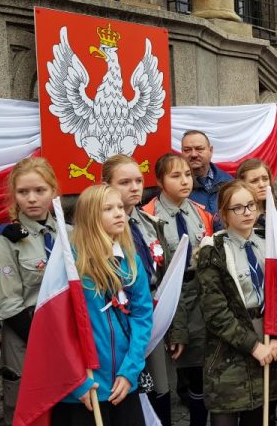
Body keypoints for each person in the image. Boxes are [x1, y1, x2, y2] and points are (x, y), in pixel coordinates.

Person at [53, 185, 153, 426]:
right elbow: (57, 329)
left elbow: (142, 317)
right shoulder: (69, 263)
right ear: (89, 217)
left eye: (120, 207)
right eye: (108, 209)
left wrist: (130, 371)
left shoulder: (131, 260)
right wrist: (78, 381)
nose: (119, 213)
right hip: (84, 389)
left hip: (123, 382)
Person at [196, 180, 277, 426]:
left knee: (260, 415)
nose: (247, 212)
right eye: (237, 208)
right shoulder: (213, 251)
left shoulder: (270, 244)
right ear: (224, 213)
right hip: (229, 349)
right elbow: (216, 312)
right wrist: (253, 346)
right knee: (224, 416)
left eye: (251, 205)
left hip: (268, 340)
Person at [142, 153, 214, 426]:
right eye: (175, 176)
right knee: (165, 372)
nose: (185, 180)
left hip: (198, 293)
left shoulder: (199, 212)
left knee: (198, 369)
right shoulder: (149, 216)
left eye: (187, 174)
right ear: (159, 181)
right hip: (167, 295)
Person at [102, 154, 174, 424]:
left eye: (138, 181)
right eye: (124, 182)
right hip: (121, 325)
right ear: (106, 186)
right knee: (130, 395)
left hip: (153, 320)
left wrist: (172, 328)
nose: (134, 187)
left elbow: (166, 277)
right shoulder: (100, 231)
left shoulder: (150, 224)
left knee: (158, 390)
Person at [0, 157, 60, 425]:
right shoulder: (6, 241)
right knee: (29, 409)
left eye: (39, 190)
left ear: (54, 191)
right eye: (23, 192)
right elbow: (9, 303)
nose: (31, 198)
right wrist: (46, 343)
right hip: (26, 335)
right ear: (14, 195)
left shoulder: (68, 234)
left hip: (64, 333)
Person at [182, 130, 233, 223]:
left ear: (211, 150)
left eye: (199, 149)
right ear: (182, 152)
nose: (193, 154)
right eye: (187, 150)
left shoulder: (229, 183)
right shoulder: (176, 188)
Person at [235, 158, 277, 228]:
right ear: (242, 184)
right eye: (254, 181)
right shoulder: (236, 214)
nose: (262, 185)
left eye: (265, 179)